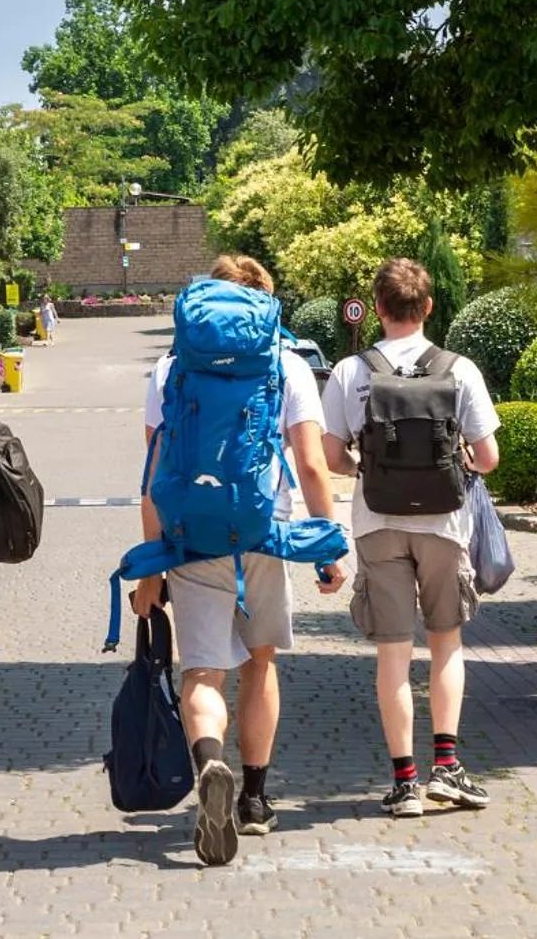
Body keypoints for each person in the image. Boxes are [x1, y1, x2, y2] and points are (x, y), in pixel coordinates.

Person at [130, 255, 345, 864]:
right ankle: (253, 799)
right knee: (260, 662)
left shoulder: (171, 368)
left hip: (192, 536)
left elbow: (153, 477)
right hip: (265, 531)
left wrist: (150, 569)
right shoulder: (288, 364)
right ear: (265, 305)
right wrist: (327, 548)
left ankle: (210, 765)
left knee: (201, 671)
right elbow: (310, 466)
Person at [321, 259, 502, 818]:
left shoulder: (353, 371)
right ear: (428, 307)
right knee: (445, 642)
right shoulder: (460, 369)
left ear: (377, 308)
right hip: (445, 525)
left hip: (377, 523)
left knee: (393, 655)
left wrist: (368, 468)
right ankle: (446, 769)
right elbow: (490, 459)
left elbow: (331, 456)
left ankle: (404, 784)